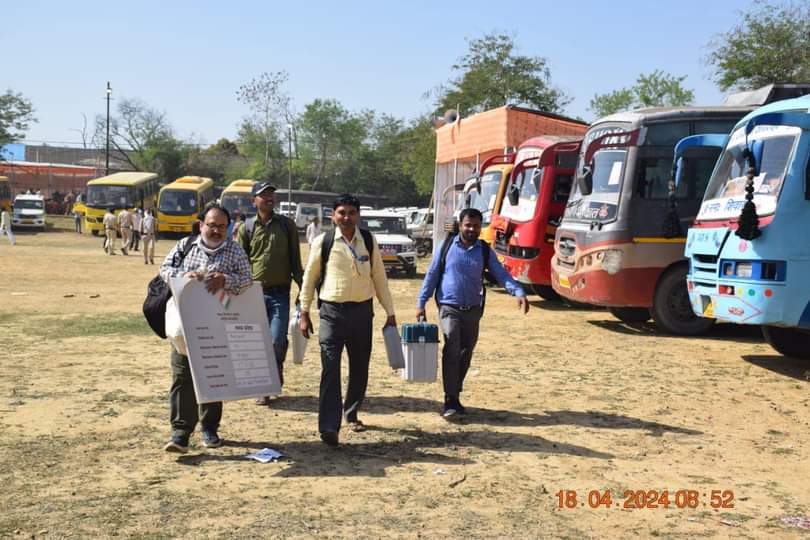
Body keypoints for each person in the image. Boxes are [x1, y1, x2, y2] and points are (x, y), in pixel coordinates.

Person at [299, 194, 396, 447]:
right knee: (330, 368)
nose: (346, 217)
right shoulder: (324, 241)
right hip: (331, 313)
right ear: (333, 215)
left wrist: (390, 313)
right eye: (341, 212)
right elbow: (309, 279)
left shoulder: (369, 241)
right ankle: (329, 427)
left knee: (359, 366)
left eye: (351, 212)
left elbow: (380, 278)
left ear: (358, 215)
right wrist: (304, 311)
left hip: (362, 313)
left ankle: (351, 411)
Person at [416, 208, 529, 418]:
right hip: (449, 308)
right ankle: (450, 400)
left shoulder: (484, 250)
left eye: (476, 226)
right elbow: (432, 273)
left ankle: (454, 392)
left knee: (465, 354)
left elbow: (501, 274)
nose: (471, 229)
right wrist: (421, 302)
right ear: (460, 225)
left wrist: (518, 291)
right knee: (451, 348)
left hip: (474, 310)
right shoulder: (447, 246)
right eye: (468, 225)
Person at [159, 204, 252, 453]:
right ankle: (180, 434)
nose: (216, 230)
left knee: (213, 374)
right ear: (201, 225)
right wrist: (183, 277)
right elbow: (164, 270)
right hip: (184, 326)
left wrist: (226, 280)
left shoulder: (235, 251)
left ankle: (209, 428)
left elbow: (247, 281)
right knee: (182, 377)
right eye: (212, 225)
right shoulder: (184, 246)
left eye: (222, 226)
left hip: (217, 326)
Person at [237, 181, 303, 404]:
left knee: (276, 340)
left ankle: (275, 374)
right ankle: (262, 388)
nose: (269, 198)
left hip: (280, 293)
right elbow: (241, 263)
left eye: (271, 194)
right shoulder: (245, 228)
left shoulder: (287, 226)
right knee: (257, 341)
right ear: (253, 200)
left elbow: (296, 262)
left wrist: (304, 292)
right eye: (263, 195)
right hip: (253, 293)